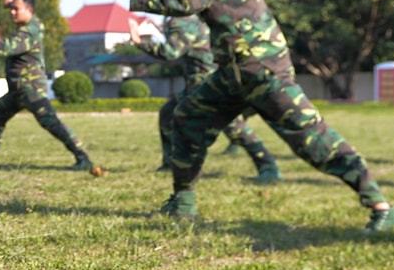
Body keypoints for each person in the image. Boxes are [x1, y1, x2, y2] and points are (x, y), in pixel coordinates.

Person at [103, 0, 394, 230]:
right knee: (187, 118)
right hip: (234, 70)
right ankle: (183, 203)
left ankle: (382, 208)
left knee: (309, 137)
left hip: (261, 66)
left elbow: (189, 1)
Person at [118, 15, 282, 182]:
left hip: (206, 83)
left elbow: (170, 52)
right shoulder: (194, 20)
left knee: (233, 125)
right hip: (204, 81)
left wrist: (139, 41)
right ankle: (170, 163)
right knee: (168, 114)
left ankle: (269, 167)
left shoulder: (183, 22)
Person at [0, 0, 102, 174]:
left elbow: (10, 46)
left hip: (31, 89)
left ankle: (83, 158)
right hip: (18, 91)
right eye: (11, 9)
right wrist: (11, 2)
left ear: (30, 11)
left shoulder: (31, 30)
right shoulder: (27, 25)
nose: (12, 12)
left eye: (16, 9)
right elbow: (18, 10)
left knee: (50, 122)